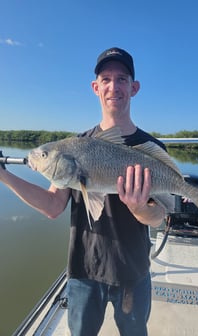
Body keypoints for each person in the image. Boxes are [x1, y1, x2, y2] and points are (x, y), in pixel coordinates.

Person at [0, 47, 166, 336]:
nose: (114, 86)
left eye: (122, 79)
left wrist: (140, 208)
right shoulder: (75, 146)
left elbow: (160, 216)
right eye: (106, 79)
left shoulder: (151, 151)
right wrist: (4, 176)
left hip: (133, 272)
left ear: (134, 87)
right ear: (95, 87)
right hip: (84, 271)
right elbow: (53, 206)